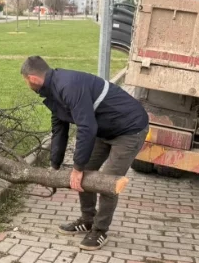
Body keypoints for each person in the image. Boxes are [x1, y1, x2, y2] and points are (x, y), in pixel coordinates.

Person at [21, 56, 148, 251]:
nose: (26, 84)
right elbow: (59, 130)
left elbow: (86, 128)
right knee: (86, 170)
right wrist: (54, 166)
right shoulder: (53, 93)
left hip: (129, 129)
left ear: (33, 78)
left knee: (108, 181)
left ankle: (100, 230)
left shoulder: (68, 86)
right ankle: (88, 219)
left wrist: (77, 168)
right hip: (103, 129)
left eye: (25, 81)